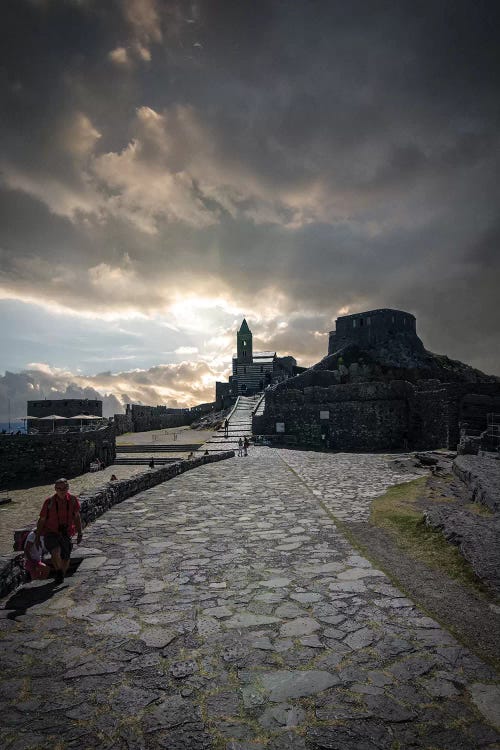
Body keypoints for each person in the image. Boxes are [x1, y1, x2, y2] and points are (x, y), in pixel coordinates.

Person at [34, 478, 83, 585]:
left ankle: (60, 575)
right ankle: (60, 572)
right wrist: (37, 537)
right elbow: (41, 520)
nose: (62, 490)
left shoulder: (73, 500)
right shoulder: (49, 502)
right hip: (51, 532)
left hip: (66, 532)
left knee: (66, 557)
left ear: (68, 488)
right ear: (55, 489)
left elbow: (77, 517)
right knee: (55, 551)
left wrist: (80, 532)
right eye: (59, 488)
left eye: (64, 488)